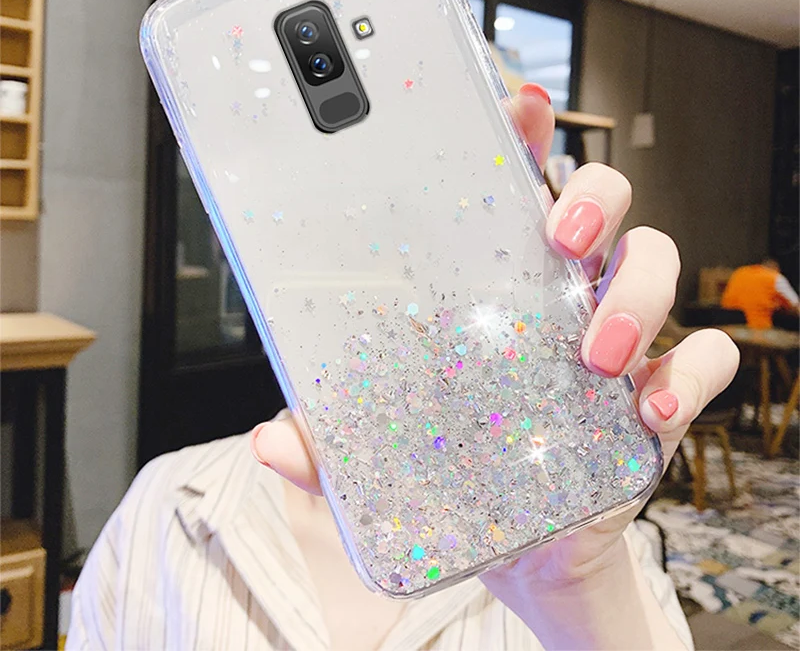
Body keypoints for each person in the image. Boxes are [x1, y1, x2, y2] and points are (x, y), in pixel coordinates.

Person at [67, 83, 739, 650]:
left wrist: (578, 599)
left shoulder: (590, 551)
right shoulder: (167, 510)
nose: (396, 259)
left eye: (445, 204)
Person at [721, 258, 800, 329]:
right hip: (758, 326)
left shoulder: (740, 272)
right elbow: (796, 304)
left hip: (728, 324)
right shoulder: (775, 277)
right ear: (776, 268)